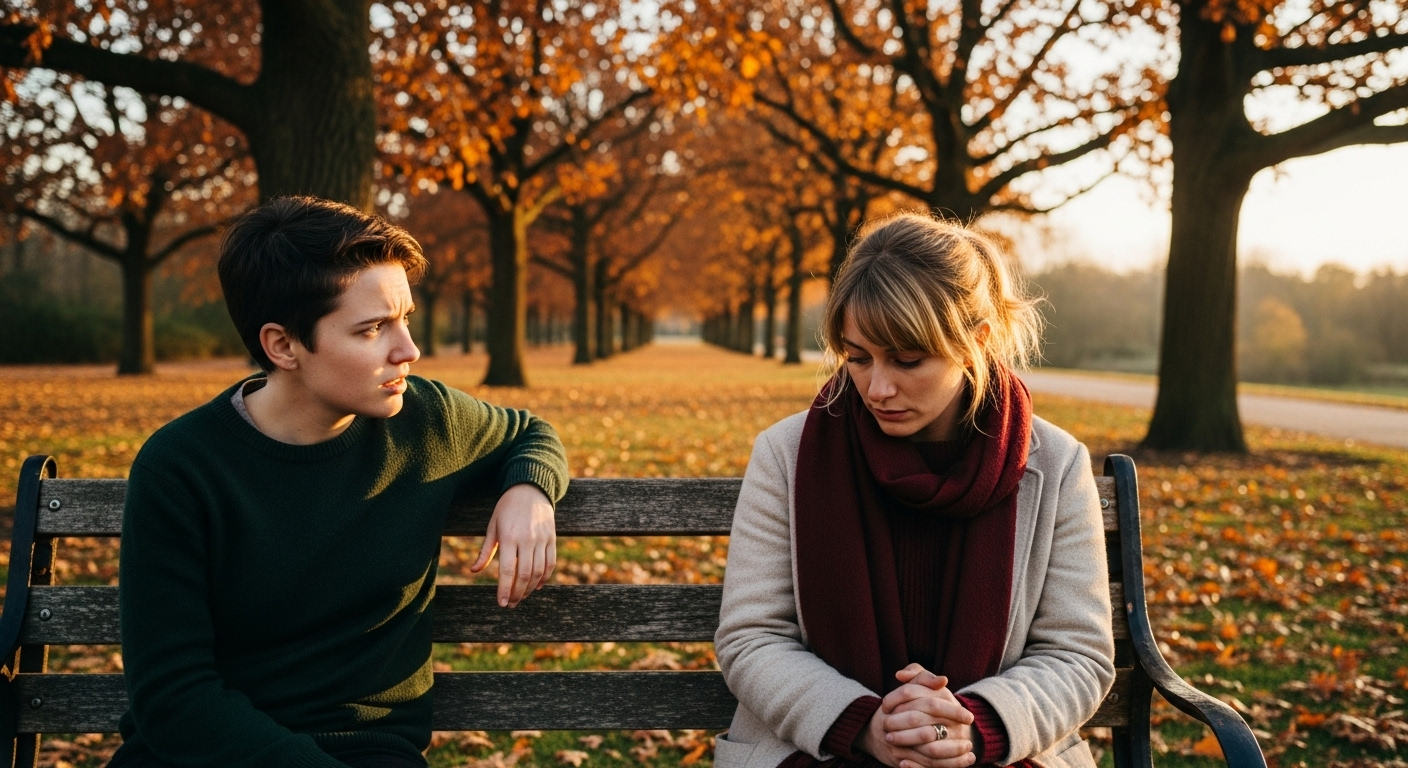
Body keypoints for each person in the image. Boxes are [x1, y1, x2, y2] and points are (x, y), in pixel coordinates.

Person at [109, 197, 569, 768]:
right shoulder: (181, 467)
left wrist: (529, 489)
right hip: (203, 755)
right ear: (282, 345)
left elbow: (530, 433)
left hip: (368, 751)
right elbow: (173, 696)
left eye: (406, 319)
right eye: (374, 328)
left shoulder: (429, 420)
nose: (409, 350)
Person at [714, 213, 1115, 768]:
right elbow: (752, 638)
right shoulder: (788, 455)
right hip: (821, 750)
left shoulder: (1056, 464)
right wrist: (863, 725)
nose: (877, 388)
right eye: (857, 358)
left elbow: (1076, 656)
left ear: (977, 340)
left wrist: (971, 729)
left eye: (907, 360)